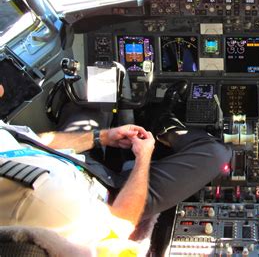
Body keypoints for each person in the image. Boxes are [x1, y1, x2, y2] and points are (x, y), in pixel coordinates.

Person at [0, 82, 231, 254]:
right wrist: (143, 159)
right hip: (114, 198)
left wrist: (103, 137)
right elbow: (120, 224)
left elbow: (37, 141)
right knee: (216, 152)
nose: (2, 89)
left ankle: (160, 121)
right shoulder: (45, 203)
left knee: (89, 101)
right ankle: (163, 121)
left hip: (76, 167)